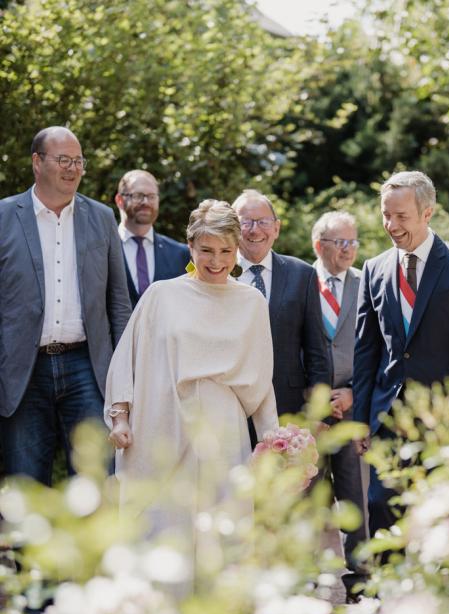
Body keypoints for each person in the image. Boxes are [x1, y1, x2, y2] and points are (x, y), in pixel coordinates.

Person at [105, 200, 278, 569]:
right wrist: (120, 417)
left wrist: (273, 440)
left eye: (225, 251)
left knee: (221, 532)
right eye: (206, 251)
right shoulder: (160, 296)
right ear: (190, 247)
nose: (216, 261)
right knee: (164, 526)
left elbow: (263, 380)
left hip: (225, 432)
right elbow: (127, 360)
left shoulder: (252, 302)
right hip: (162, 425)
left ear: (238, 249)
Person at [353, 171, 449, 535]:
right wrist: (361, 418)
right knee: (381, 507)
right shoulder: (374, 269)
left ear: (427, 213)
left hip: (444, 420)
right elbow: (366, 350)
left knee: (441, 516)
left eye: (401, 216)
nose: (391, 225)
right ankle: (390, 593)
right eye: (386, 214)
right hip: (388, 415)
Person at [0, 126, 131, 485]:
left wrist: (124, 377)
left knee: (97, 479)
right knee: (25, 487)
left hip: (87, 368)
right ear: (37, 162)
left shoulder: (102, 218)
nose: (72, 168)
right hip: (22, 374)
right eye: (63, 160)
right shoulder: (4, 216)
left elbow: (118, 303)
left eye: (78, 161)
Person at [232, 189, 330, 417]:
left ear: (276, 228)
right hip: (229, 404)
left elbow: (316, 350)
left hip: (287, 404)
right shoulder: (218, 273)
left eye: (263, 222)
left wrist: (320, 413)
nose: (255, 230)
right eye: (245, 222)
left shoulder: (302, 275)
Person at [311, 211, 368, 598]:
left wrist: (353, 395)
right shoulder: (300, 282)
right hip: (308, 413)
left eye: (353, 242)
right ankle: (313, 577)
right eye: (339, 243)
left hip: (350, 407)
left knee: (355, 498)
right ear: (319, 245)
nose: (348, 250)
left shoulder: (367, 283)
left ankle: (362, 579)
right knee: (309, 501)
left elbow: (376, 349)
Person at [114, 170, 190, 307]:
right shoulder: (102, 249)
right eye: (138, 196)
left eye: (151, 196)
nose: (146, 202)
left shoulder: (180, 254)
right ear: (119, 200)